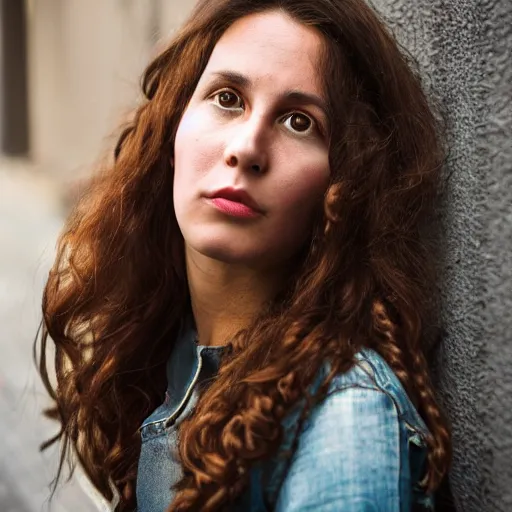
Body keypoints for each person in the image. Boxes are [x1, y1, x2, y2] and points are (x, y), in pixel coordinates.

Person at [35, 0, 452, 510]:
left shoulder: (344, 415)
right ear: (173, 129)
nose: (247, 146)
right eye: (228, 97)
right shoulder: (166, 359)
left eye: (300, 122)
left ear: (344, 185)